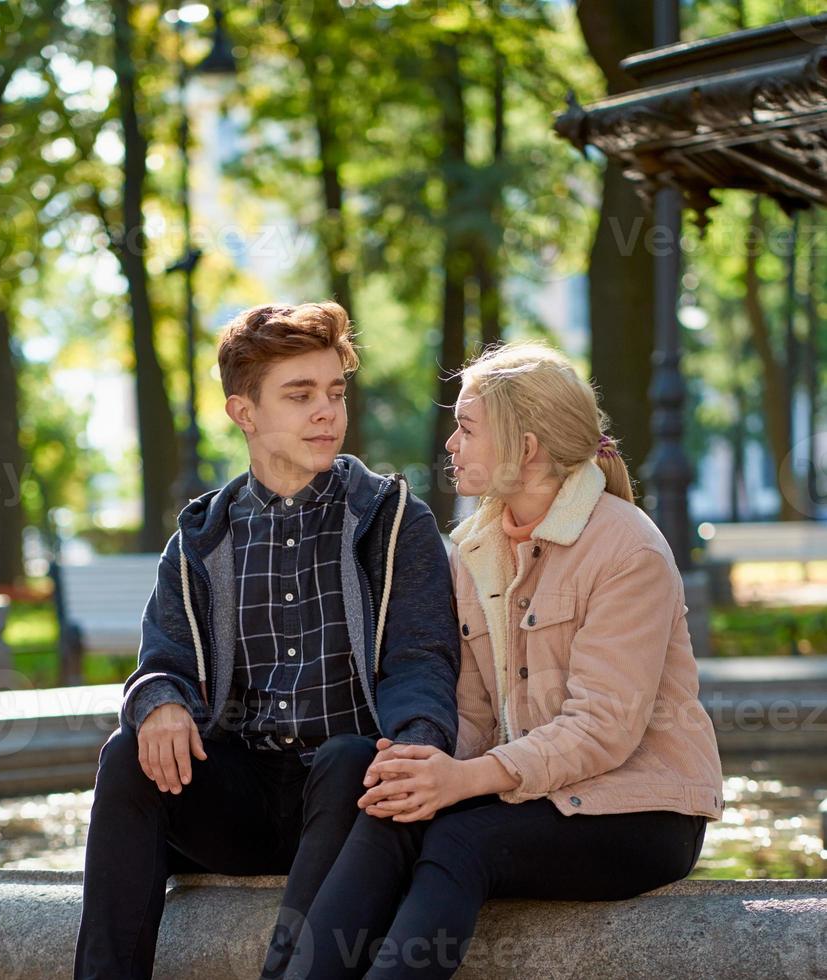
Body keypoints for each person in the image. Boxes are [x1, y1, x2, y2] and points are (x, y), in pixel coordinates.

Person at [275, 340, 724, 980]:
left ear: (527, 446)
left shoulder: (628, 550)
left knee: (462, 838)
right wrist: (424, 768)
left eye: (465, 428)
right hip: (537, 793)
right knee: (393, 808)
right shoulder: (475, 550)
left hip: (641, 810)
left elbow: (603, 730)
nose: (451, 446)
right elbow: (476, 713)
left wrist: (466, 781)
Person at [72, 301, 460, 980]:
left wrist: (418, 740)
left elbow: (420, 659)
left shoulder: (392, 520)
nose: (326, 413)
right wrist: (158, 699)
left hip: (349, 804)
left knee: (345, 758)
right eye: (299, 395)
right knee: (127, 753)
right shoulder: (202, 536)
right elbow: (162, 659)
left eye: (334, 393)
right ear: (243, 413)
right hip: (242, 799)